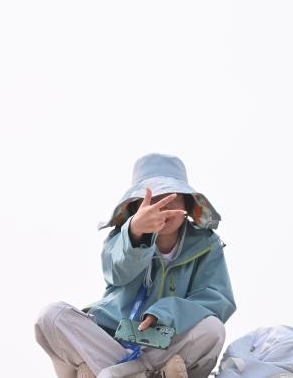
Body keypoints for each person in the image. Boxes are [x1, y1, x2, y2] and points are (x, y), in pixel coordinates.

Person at [35, 153, 236, 378]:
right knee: (51, 317)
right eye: (152, 199)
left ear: (188, 204)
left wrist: (165, 313)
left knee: (213, 329)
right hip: (111, 336)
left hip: (168, 339)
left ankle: (114, 372)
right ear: (136, 207)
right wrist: (135, 233)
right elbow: (117, 273)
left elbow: (217, 300)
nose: (162, 206)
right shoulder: (118, 238)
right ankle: (140, 373)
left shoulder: (207, 245)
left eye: (172, 197)